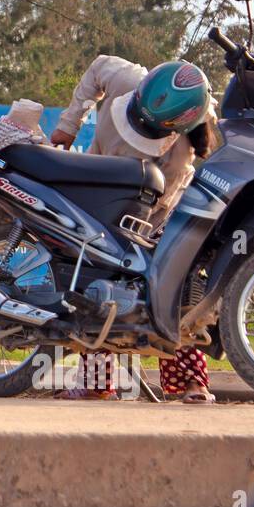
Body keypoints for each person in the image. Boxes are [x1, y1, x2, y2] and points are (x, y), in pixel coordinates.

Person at [49, 55, 217, 403]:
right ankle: (95, 384)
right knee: (95, 289)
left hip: (161, 216)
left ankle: (191, 383)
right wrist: (70, 122)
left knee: (176, 294)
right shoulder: (125, 78)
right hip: (101, 206)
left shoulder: (199, 117)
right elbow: (94, 69)